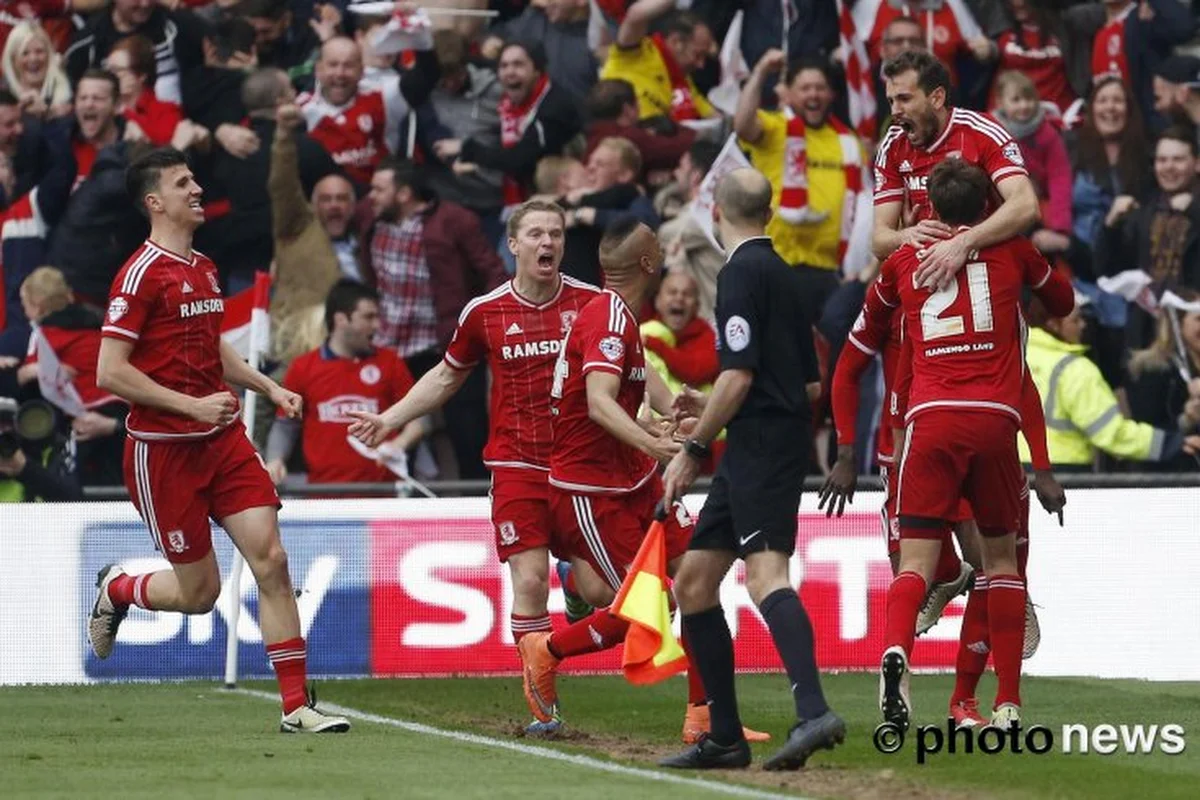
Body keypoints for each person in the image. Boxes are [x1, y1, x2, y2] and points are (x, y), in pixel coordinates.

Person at [88, 147, 349, 733]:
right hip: (164, 452)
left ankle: (295, 707)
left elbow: (211, 347)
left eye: (195, 179)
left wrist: (268, 386)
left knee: (273, 560)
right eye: (184, 183)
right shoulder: (138, 275)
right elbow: (109, 371)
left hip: (223, 440)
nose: (197, 189)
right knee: (200, 593)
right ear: (155, 202)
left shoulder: (202, 267)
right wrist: (190, 405)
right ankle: (119, 588)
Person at [515, 219, 770, 746]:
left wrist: (662, 420)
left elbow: (632, 398)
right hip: (594, 492)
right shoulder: (609, 318)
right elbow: (599, 402)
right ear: (649, 265)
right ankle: (548, 650)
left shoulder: (621, 317)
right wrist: (654, 444)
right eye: (661, 248)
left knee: (699, 576)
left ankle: (705, 716)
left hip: (637, 483)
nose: (668, 253)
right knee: (655, 608)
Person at [346, 199, 600, 687]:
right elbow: (446, 376)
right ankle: (543, 702)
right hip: (516, 466)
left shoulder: (590, 303)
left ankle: (574, 585)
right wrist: (388, 418)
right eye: (536, 235)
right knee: (527, 580)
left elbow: (629, 363)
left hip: (580, 467)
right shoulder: (485, 312)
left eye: (556, 234)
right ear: (513, 244)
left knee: (603, 589)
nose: (548, 243)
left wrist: (663, 408)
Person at [871, 158, 1073, 732]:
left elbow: (874, 323)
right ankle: (1008, 703)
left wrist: (903, 240)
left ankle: (896, 653)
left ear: (928, 206)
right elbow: (1062, 302)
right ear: (990, 202)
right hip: (994, 421)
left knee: (916, 562)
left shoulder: (904, 261)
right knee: (1001, 563)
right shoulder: (1012, 250)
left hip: (930, 419)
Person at [659, 168, 845, 771]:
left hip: (759, 444)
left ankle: (813, 711)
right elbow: (809, 381)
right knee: (694, 583)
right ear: (767, 212)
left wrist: (693, 446)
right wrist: (711, 400)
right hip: (760, 441)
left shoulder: (738, 274)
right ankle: (724, 736)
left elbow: (740, 376)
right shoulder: (787, 278)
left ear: (715, 210)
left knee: (766, 577)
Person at [872, 51, 1040, 287]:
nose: (894, 111)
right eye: (891, 100)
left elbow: (1026, 206)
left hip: (985, 266)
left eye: (904, 99)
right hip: (921, 274)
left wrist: (963, 243)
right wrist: (905, 236)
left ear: (937, 98)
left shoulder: (981, 131)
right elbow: (879, 240)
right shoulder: (893, 145)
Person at [265, 280, 421, 486]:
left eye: (377, 317)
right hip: (324, 496)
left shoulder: (390, 362)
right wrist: (275, 460)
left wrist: (398, 445)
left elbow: (417, 422)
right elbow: (286, 424)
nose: (376, 325)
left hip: (383, 495)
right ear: (340, 319)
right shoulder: (303, 368)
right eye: (368, 317)